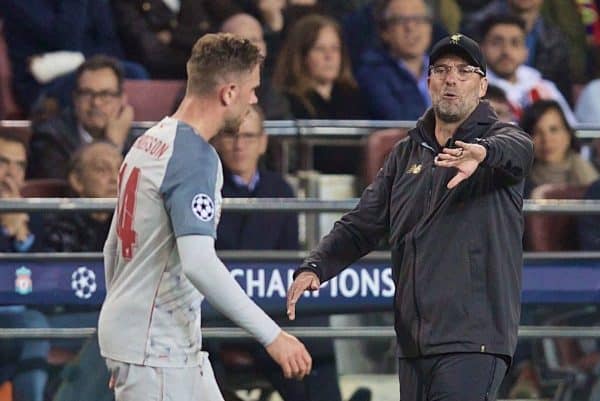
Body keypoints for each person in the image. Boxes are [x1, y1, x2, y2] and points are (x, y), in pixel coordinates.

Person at [287, 33, 534, 401]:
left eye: (464, 71)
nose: (451, 79)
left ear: (482, 86)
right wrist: (316, 265)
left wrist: (482, 153)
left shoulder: (500, 141)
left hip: (473, 339)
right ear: (428, 81)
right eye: (441, 70)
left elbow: (520, 149)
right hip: (414, 343)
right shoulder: (406, 153)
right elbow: (363, 222)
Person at [97, 33, 312, 401]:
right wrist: (272, 334)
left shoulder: (149, 141)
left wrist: (123, 340)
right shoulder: (194, 157)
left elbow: (112, 247)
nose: (255, 99)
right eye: (252, 89)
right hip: (157, 350)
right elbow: (198, 262)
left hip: (160, 345)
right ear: (228, 92)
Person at [28, 56, 135, 180]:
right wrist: (112, 145)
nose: (96, 103)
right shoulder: (49, 138)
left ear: (122, 100)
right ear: (75, 98)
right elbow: (66, 190)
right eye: (87, 93)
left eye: (105, 94)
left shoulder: (136, 145)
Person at [0, 131, 49, 401]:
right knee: (34, 325)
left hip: (26, 318)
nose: (10, 174)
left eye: (19, 166)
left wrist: (21, 237)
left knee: (102, 327)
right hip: (19, 320)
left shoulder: (35, 217)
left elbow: (45, 283)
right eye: (3, 162)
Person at [479, 14, 576, 124]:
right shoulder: (473, 89)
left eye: (515, 43)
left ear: (526, 51)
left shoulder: (545, 89)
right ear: (481, 48)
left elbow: (570, 131)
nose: (506, 51)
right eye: (497, 43)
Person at [111, 0, 241, 79]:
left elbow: (232, 26)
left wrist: (174, 37)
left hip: (206, 75)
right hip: (160, 78)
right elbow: (151, 53)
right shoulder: (129, 3)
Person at [354, 0, 433, 120]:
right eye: (400, 20)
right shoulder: (373, 75)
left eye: (418, 19)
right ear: (385, 32)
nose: (410, 27)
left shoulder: (449, 70)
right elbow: (398, 120)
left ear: (430, 27)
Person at [42, 141, 122, 252]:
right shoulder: (60, 225)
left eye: (120, 169)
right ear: (77, 181)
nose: (115, 178)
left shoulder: (131, 221)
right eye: (102, 169)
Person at [519, 99, 599, 198]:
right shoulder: (517, 184)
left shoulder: (592, 178)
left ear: (568, 134)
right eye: (537, 132)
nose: (546, 139)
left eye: (554, 130)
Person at [220, 13, 291, 120]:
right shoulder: (203, 89)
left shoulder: (277, 92)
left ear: (265, 47)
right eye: (240, 41)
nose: (250, 47)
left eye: (255, 40)